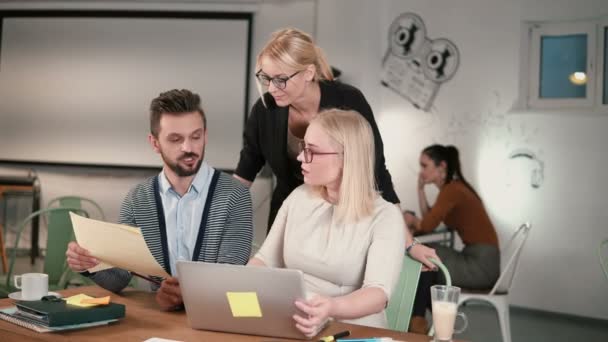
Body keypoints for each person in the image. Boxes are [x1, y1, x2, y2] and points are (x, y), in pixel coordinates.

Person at [248, 109, 435, 337]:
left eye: (312, 151)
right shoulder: (298, 197)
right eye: (303, 148)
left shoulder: (385, 216)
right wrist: (237, 288)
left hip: (354, 332)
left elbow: (377, 294)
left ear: (347, 157)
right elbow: (265, 260)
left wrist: (331, 308)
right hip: (297, 324)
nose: (300, 158)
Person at [66, 89, 253, 310]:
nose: (189, 148)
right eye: (176, 139)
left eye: (196, 136)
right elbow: (120, 278)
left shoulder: (235, 195)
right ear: (155, 143)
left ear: (205, 135)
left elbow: (230, 276)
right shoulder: (138, 199)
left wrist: (184, 294)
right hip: (157, 320)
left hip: (212, 318)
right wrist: (91, 264)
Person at [233, 28, 400, 232]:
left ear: (309, 73)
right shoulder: (264, 110)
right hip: (289, 213)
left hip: (344, 215)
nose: (271, 88)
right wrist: (218, 215)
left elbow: (376, 168)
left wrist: (404, 237)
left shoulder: (348, 100)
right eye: (265, 78)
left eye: (280, 79)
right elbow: (247, 167)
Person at [403, 144, 500, 333]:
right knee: (430, 255)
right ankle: (431, 323)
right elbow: (429, 218)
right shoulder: (453, 188)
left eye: (424, 165)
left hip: (481, 265)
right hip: (481, 259)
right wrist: (420, 190)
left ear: (441, 167)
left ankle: (419, 322)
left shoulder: (452, 190)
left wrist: (410, 219)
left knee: (428, 255)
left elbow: (426, 225)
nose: (421, 171)